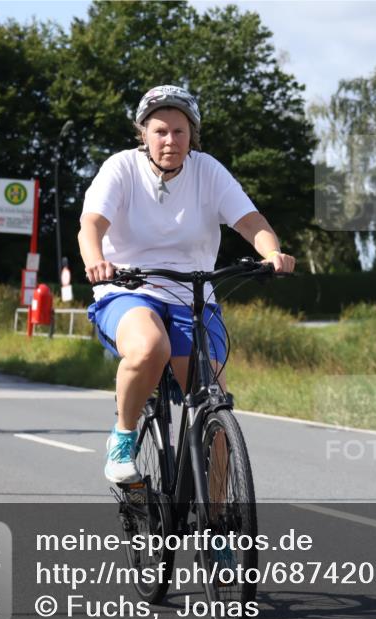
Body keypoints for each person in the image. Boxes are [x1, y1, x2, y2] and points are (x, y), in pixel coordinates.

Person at [79, 84, 295, 484]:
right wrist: (96, 262)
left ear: (192, 135)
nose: (170, 141)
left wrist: (271, 253)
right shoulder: (121, 168)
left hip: (192, 294)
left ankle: (218, 529)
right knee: (149, 347)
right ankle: (123, 438)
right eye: (160, 131)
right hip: (128, 288)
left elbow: (251, 221)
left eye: (179, 131)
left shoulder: (208, 171)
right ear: (143, 133)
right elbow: (91, 225)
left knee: (214, 407)